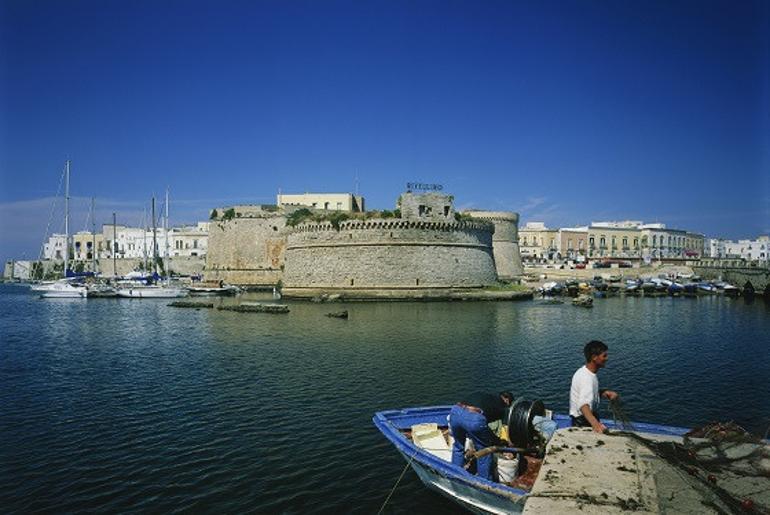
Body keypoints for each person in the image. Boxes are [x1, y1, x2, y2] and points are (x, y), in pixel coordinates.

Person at [449, 391, 513, 480]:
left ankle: (454, 474)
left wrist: (495, 439)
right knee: (484, 451)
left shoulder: (487, 396)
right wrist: (506, 443)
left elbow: (484, 427)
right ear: (507, 401)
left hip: (455, 412)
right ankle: (485, 481)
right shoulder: (502, 407)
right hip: (473, 417)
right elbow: (505, 429)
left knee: (458, 446)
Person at [569, 340, 619, 433]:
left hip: (583, 420)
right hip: (583, 423)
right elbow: (583, 405)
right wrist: (596, 425)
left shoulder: (583, 372)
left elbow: (587, 394)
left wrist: (603, 393)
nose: (607, 358)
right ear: (594, 357)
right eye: (604, 356)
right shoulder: (587, 378)